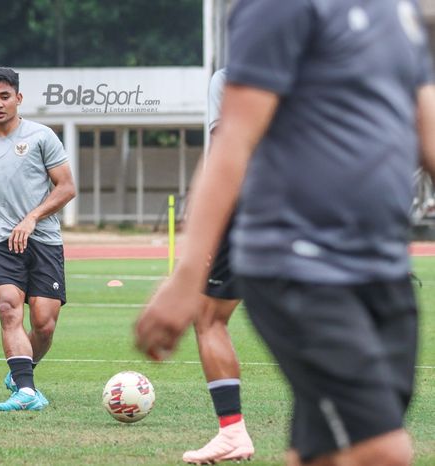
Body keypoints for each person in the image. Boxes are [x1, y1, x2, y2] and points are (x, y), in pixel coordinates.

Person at [135, 1, 435, 465]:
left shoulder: (398, 13)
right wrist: (188, 274)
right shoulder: (279, 7)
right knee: (382, 450)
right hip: (299, 262)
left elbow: (427, 132)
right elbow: (231, 141)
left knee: (325, 450)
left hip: (383, 266)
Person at [0, 66, 76, 412]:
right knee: (8, 305)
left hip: (44, 241)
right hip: (0, 242)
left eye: (4, 96)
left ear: (18, 98)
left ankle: (21, 372)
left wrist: (32, 217)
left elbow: (67, 187)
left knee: (44, 324)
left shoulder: (42, 136)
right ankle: (26, 391)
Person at [182, 68, 254, 465]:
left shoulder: (230, 76)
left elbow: (226, 146)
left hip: (250, 208)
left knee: (208, 316)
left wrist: (205, 222)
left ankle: (232, 431)